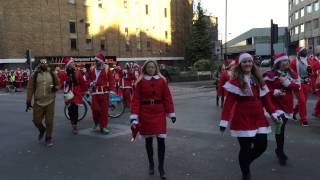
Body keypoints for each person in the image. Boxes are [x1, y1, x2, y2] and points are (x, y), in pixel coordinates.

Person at [219, 53, 283, 180]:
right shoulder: (235, 81)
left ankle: (245, 163)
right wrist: (224, 121)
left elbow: (266, 100)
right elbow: (229, 103)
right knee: (245, 148)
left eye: (249, 61)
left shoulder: (258, 79)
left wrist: (274, 114)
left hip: (259, 117)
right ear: (240, 65)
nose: (247, 64)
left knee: (262, 145)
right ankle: (246, 173)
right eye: (244, 62)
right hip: (242, 117)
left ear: (252, 63)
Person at [130, 60, 176, 180]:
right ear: (145, 68)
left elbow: (167, 97)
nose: (151, 69)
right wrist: (134, 116)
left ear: (156, 69)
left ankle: (161, 168)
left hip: (159, 112)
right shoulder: (140, 82)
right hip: (145, 113)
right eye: (149, 67)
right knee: (148, 141)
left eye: (153, 67)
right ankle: (151, 164)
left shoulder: (162, 81)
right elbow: (135, 100)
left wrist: (171, 113)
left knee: (161, 141)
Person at [263, 53, 300, 166]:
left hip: (287, 104)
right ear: (278, 63)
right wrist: (276, 92)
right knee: (280, 123)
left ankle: (279, 148)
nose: (286, 63)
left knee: (282, 128)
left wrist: (288, 83)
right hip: (276, 104)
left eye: (287, 61)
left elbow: (297, 87)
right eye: (283, 61)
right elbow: (266, 89)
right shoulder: (270, 74)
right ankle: (280, 150)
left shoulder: (291, 74)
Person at [26, 59, 59, 147]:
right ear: (39, 65)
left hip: (50, 101)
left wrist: (55, 88)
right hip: (38, 101)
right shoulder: (35, 74)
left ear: (47, 64)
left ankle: (48, 138)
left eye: (45, 64)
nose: (44, 65)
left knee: (49, 121)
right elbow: (30, 88)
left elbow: (58, 84)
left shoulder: (52, 73)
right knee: (36, 120)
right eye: (42, 64)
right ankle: (41, 129)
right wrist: (28, 101)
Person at [87, 53, 115, 135]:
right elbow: (88, 79)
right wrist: (90, 83)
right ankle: (96, 122)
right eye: (95, 61)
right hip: (95, 93)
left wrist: (112, 90)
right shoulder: (92, 69)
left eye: (97, 61)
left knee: (104, 111)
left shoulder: (106, 69)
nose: (96, 62)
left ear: (101, 62)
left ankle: (103, 126)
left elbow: (111, 80)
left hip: (104, 93)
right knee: (95, 110)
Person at [289, 47, 314, 126]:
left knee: (303, 101)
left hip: (306, 84)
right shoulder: (293, 62)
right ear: (299, 53)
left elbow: (311, 73)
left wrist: (310, 72)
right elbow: (290, 74)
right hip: (298, 84)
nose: (306, 52)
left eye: (306, 51)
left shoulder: (308, 61)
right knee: (302, 101)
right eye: (304, 51)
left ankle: (293, 112)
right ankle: (303, 119)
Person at [63, 57, 87, 134]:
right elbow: (60, 83)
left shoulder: (77, 72)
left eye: (73, 62)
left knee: (75, 109)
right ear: (68, 64)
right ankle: (73, 122)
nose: (73, 64)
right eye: (72, 62)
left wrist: (84, 91)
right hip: (68, 93)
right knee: (70, 111)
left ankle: (75, 126)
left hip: (76, 93)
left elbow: (82, 82)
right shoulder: (64, 73)